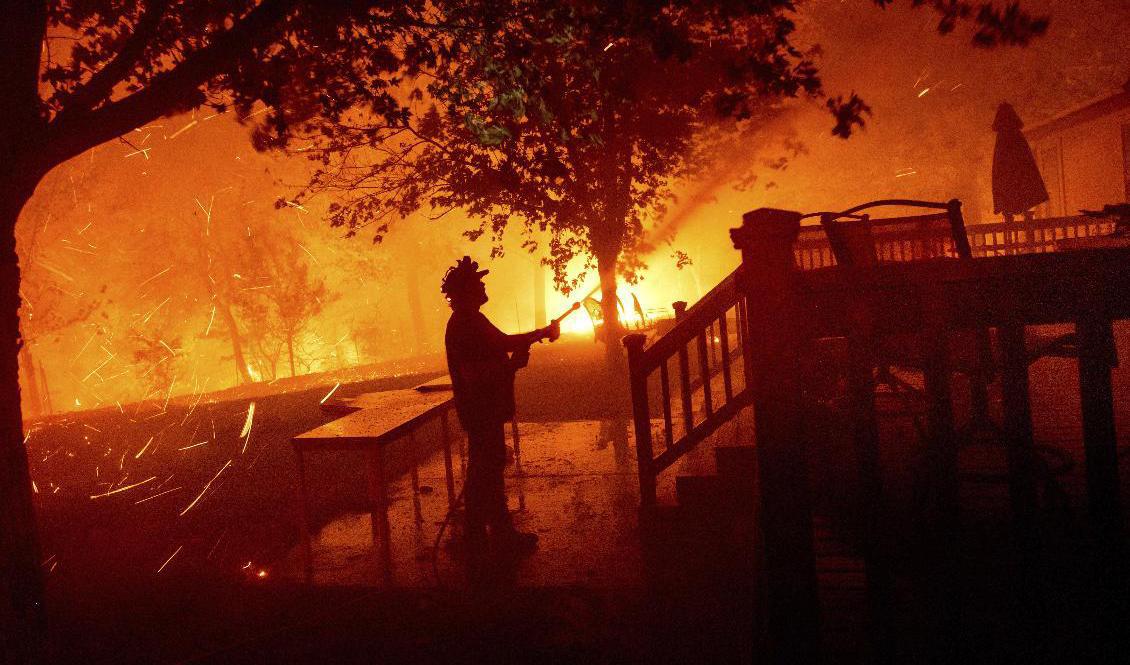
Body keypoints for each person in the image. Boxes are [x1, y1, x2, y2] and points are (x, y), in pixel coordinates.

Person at [441, 256, 559, 561]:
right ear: (466, 292)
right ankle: (480, 538)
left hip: (486, 408)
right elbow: (476, 376)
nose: (483, 286)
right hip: (481, 410)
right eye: (478, 283)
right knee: (485, 473)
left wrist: (542, 333)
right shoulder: (464, 325)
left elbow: (502, 341)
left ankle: (488, 537)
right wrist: (513, 365)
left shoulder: (473, 319)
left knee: (489, 472)